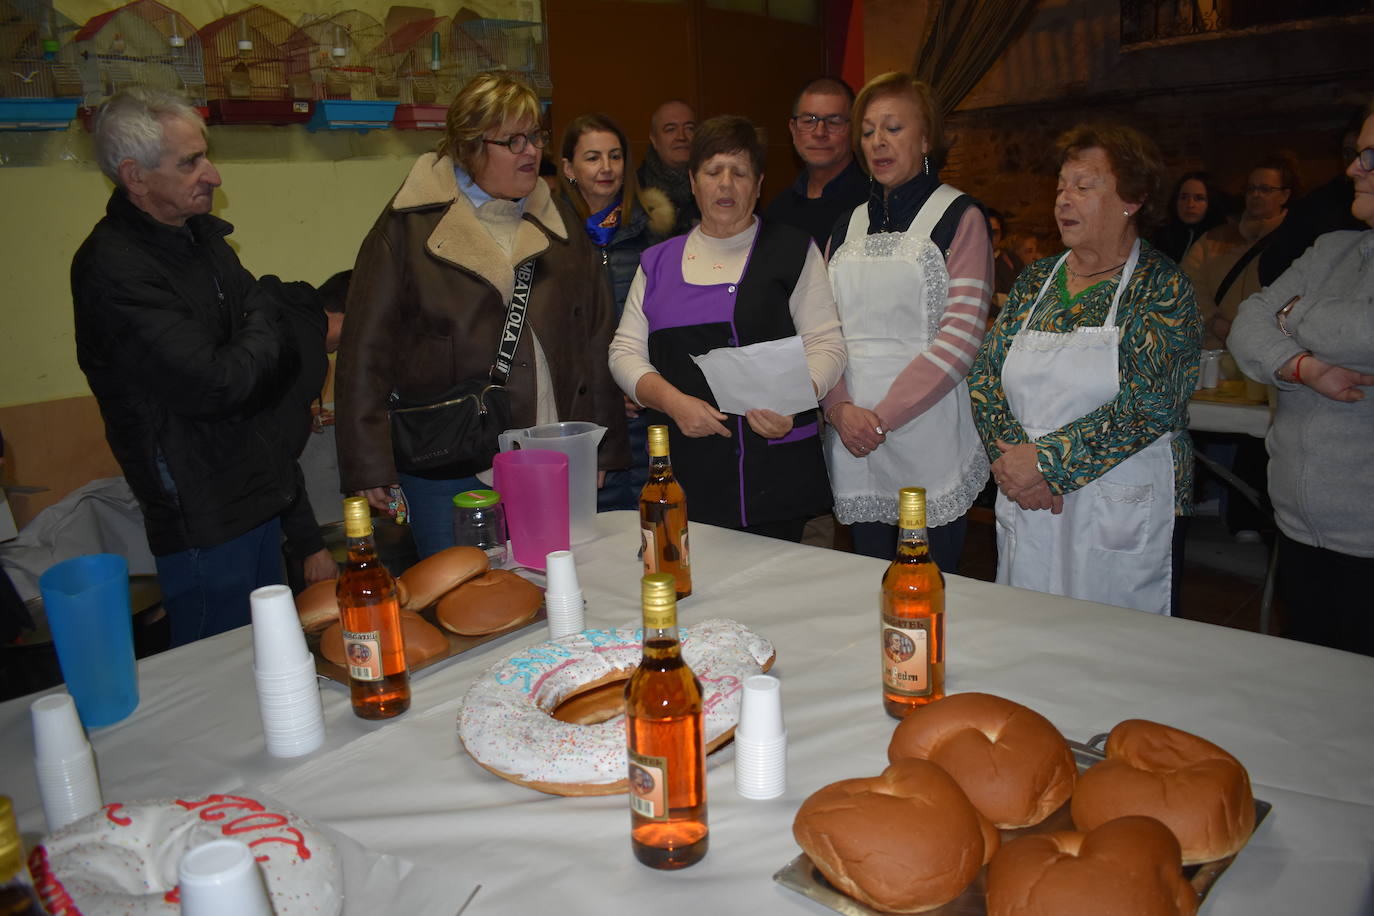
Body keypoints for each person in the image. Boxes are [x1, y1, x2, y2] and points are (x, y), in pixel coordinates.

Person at [336, 72, 629, 559]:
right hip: (450, 460)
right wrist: (368, 465)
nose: (531, 152)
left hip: (549, 454)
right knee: (466, 602)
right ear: (470, 146)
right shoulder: (407, 229)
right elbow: (365, 350)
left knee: (555, 584)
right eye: (512, 140)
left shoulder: (558, 220)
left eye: (535, 136)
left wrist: (601, 446)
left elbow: (595, 336)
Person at [72, 87, 322, 646]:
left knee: (272, 658)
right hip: (204, 515)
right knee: (218, 680)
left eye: (205, 155)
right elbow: (219, 383)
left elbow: (266, 317)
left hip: (258, 489)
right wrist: (259, 329)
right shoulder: (112, 268)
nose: (213, 175)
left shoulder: (202, 240)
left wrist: (255, 329)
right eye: (191, 162)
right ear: (135, 177)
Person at [969, 124, 1202, 615]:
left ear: (1132, 198)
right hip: (1027, 495)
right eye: (1060, 186)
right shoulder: (1036, 281)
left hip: (1117, 502)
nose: (1063, 200)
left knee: (1113, 649)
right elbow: (987, 375)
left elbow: (1152, 404)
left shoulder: (1160, 286)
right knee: (1026, 627)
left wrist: (1046, 463)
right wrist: (1009, 462)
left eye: (1082, 185)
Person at [609, 115, 847, 542]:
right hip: (686, 473)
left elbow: (827, 343)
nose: (725, 184)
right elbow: (624, 353)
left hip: (779, 474)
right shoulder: (658, 262)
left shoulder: (793, 249)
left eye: (739, 173)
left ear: (758, 185)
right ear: (693, 181)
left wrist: (795, 399)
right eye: (713, 171)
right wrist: (674, 402)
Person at [820, 72, 994, 569]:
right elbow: (822, 331)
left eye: (893, 128)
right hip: (854, 434)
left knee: (933, 586)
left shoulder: (960, 217)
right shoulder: (846, 224)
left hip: (926, 434)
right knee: (866, 583)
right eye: (869, 130)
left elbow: (961, 337)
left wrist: (881, 419)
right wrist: (839, 409)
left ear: (925, 139)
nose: (878, 141)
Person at [1227, 103, 1374, 657]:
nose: (1354, 170)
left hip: (1368, 534)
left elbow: (1364, 329)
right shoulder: (1335, 249)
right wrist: (1302, 365)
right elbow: (1247, 322)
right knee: (1316, 692)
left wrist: (1292, 315)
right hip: (1299, 526)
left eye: (1369, 156)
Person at [557, 113, 670, 510]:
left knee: (654, 526)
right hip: (583, 418)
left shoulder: (655, 236)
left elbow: (668, 326)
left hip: (648, 411)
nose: (606, 168)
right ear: (569, 168)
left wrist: (640, 381)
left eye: (615, 156)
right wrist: (603, 392)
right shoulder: (548, 239)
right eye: (592, 158)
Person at [1183, 153, 1300, 349]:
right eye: (1251, 189)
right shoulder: (1215, 237)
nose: (1256, 195)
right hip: (1215, 350)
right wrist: (1213, 320)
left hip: (1268, 351)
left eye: (1265, 189)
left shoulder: (1295, 242)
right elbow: (1187, 281)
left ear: (1284, 195)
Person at [1258, 110, 1367, 285]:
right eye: (1348, 153)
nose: (1353, 166)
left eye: (1365, 155)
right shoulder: (1318, 208)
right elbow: (1273, 270)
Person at [763, 77, 868, 249]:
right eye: (808, 120)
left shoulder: (873, 204)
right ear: (793, 129)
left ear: (854, 128)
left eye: (834, 121)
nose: (820, 133)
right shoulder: (778, 210)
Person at [636, 99, 699, 237]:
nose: (681, 137)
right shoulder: (633, 192)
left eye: (689, 128)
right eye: (670, 129)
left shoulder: (714, 188)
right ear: (654, 139)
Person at [1151, 171, 1226, 264]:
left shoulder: (1219, 240)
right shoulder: (1159, 235)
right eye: (1183, 197)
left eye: (1199, 198)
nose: (1190, 204)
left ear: (1210, 202)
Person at [987, 208, 1023, 309]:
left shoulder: (1012, 260)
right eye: (986, 230)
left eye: (995, 232)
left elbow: (1024, 296)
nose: (990, 237)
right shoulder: (967, 262)